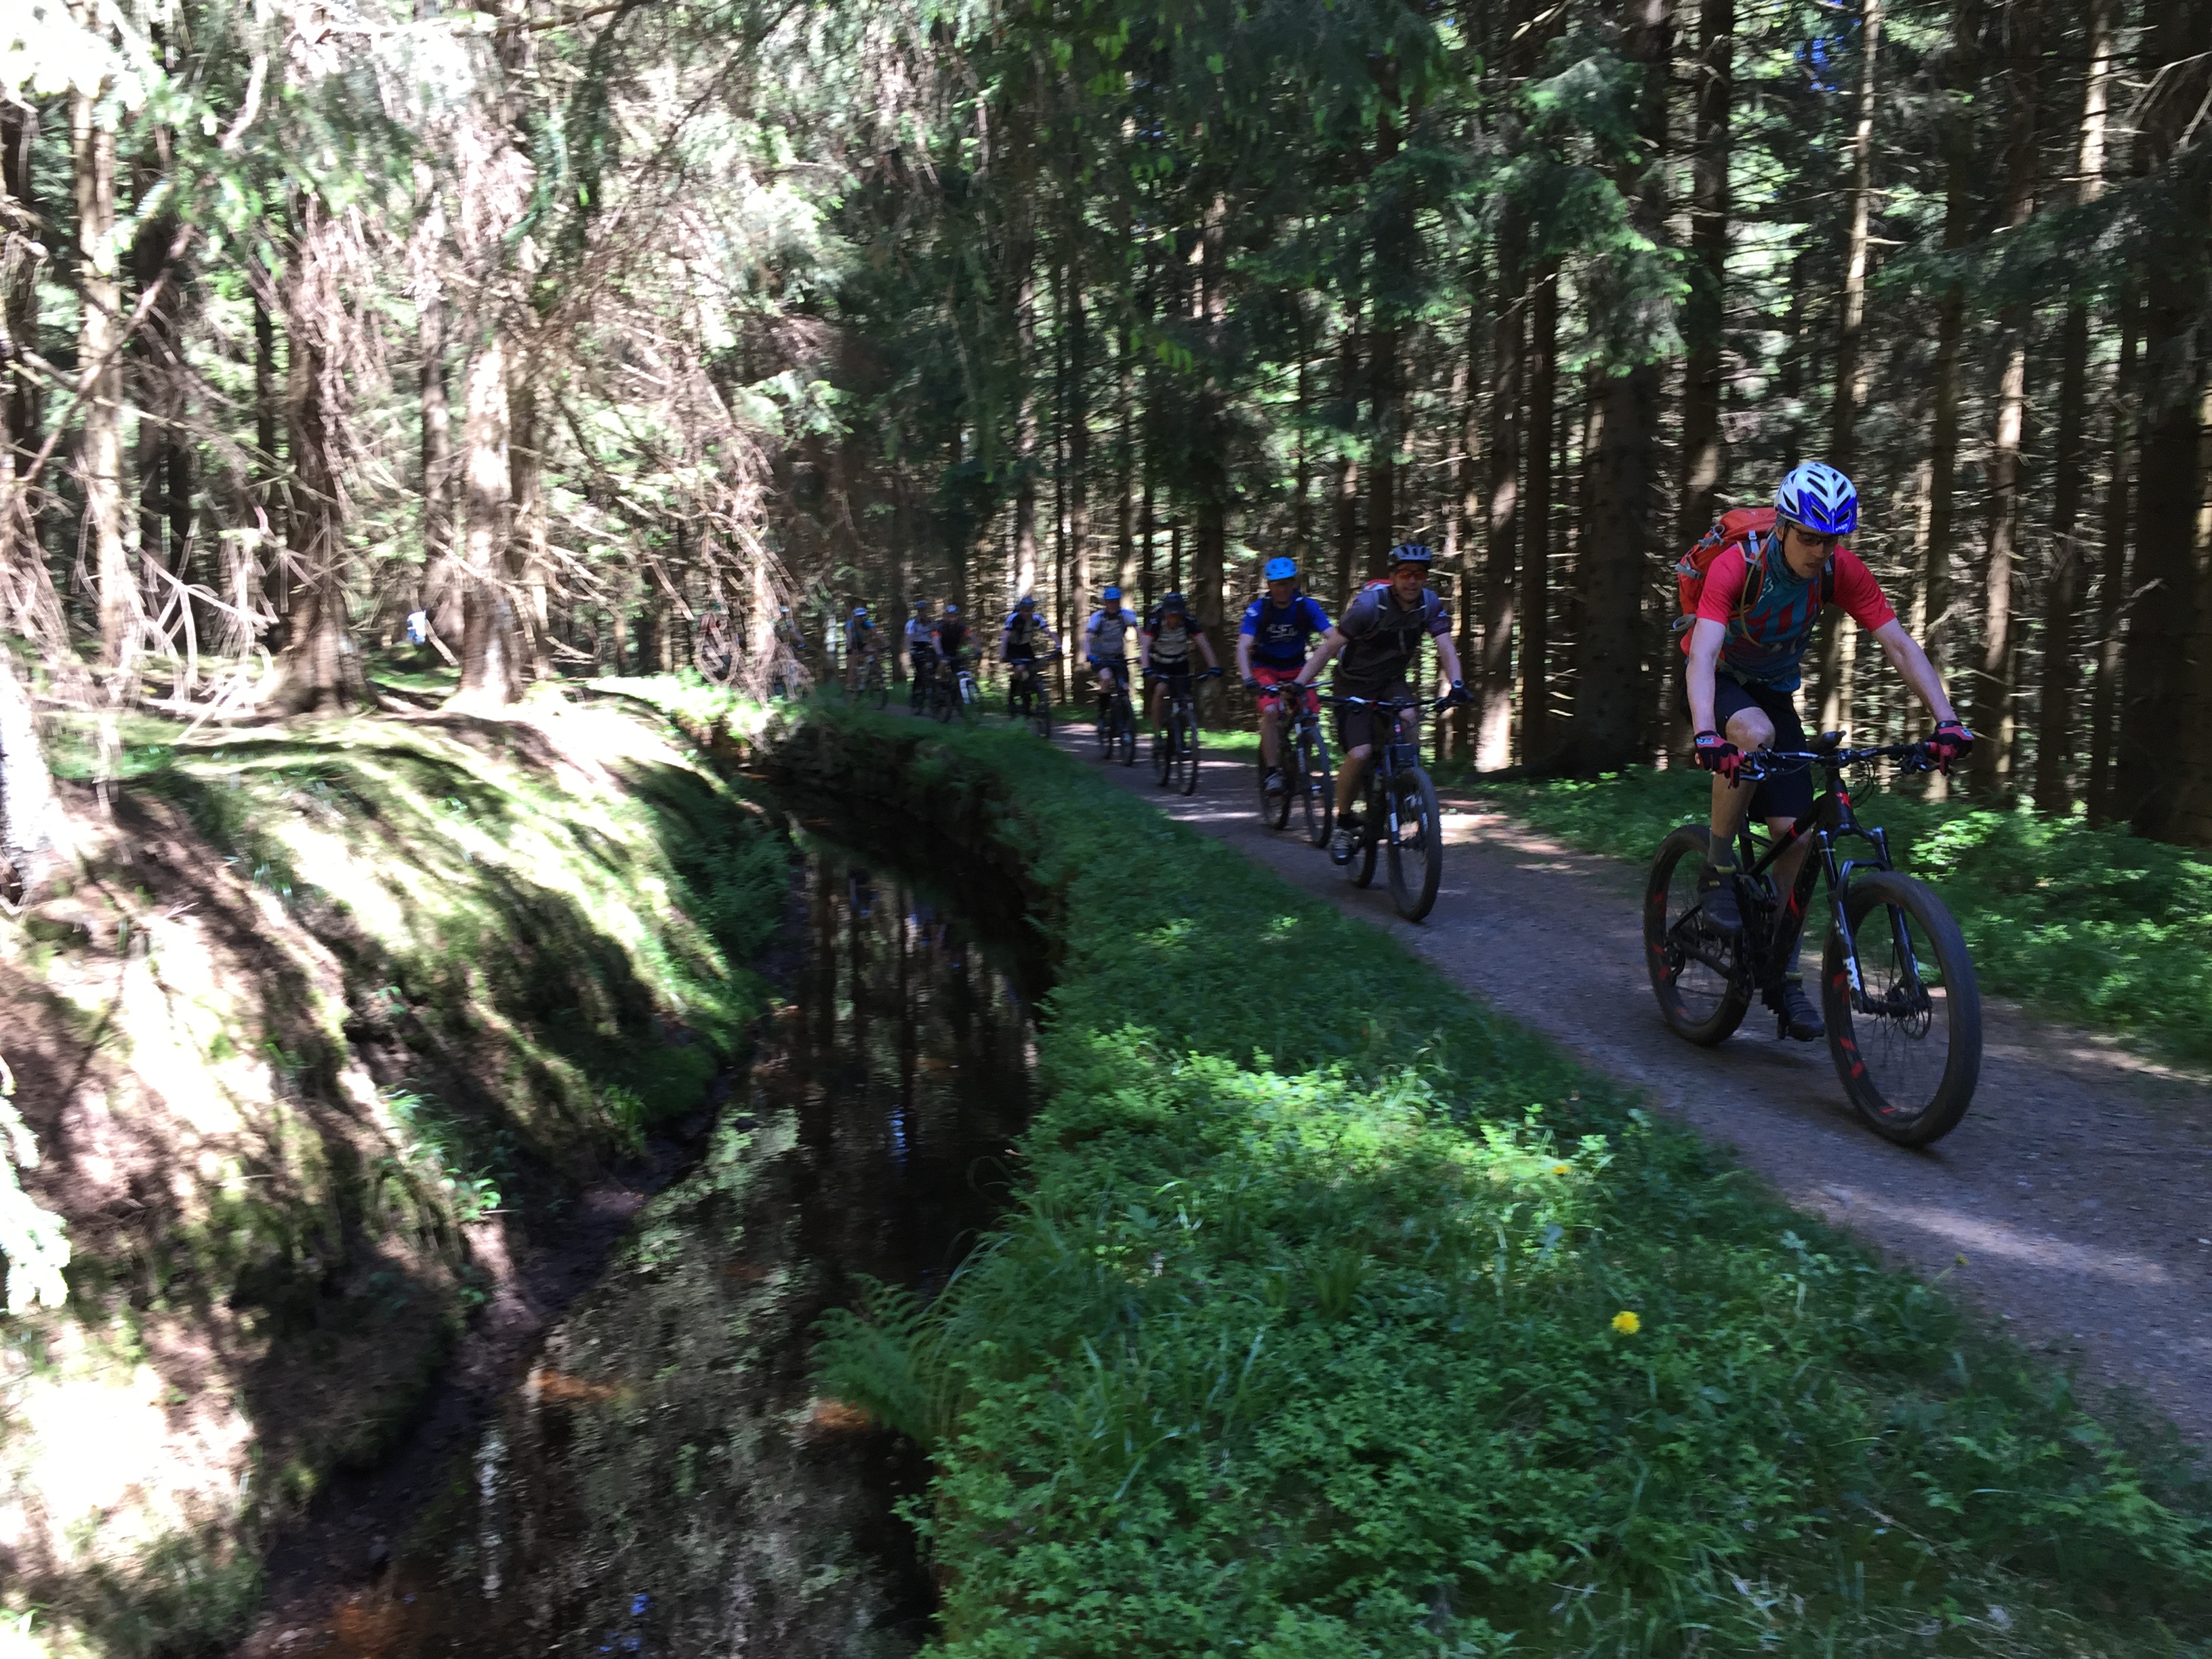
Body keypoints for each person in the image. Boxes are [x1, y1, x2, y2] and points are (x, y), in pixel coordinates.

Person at [1681, 461, 1971, 1041]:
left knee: (1797, 840)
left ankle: (1782, 974)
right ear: (1784, 527)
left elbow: (1899, 644)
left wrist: (1947, 720)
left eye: (1832, 540)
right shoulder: (1740, 565)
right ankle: (1717, 868)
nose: (1821, 551)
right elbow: (1705, 653)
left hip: (1774, 691)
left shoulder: (1840, 571)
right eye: (1811, 538)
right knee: (1753, 733)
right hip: (1720, 682)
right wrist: (1707, 733)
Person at [1287, 544, 1468, 865]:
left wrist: (1456, 684)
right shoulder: (1369, 607)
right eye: (1405, 574)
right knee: (1360, 753)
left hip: (1390, 682)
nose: (1412, 581)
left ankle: (1408, 789)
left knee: (1409, 717)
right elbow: (1329, 648)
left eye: (1419, 574)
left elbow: (1446, 647)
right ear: (1393, 577)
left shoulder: (1428, 603)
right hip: (1353, 683)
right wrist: (1300, 683)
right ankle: (1344, 822)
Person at [1237, 556, 1332, 792]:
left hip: (1297, 668)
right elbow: (1243, 645)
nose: (1283, 588)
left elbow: (1333, 636)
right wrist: (1247, 678)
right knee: (1270, 712)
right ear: (1269, 585)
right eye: (1277, 583)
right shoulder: (1259, 609)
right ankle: (1271, 772)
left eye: (1287, 582)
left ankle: (1303, 769)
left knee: (1310, 716)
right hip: (1266, 668)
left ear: (1294, 583)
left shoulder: (1306, 606)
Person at [1139, 592, 1221, 731]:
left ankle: (1184, 726)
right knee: (1161, 690)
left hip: (1180, 663)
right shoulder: (1155, 622)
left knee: (1185, 695)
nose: (1174, 619)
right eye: (1170, 615)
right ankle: (1157, 732)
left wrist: (1214, 667)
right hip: (1160, 663)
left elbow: (1204, 645)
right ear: (1165, 614)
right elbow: (1145, 646)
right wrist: (1146, 669)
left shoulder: (1189, 621)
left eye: (1177, 615)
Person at [1082, 586, 1143, 727]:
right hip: (1100, 657)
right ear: (1105, 603)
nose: (1113, 605)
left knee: (1125, 687)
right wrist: (1089, 655)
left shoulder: (1126, 615)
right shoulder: (1097, 617)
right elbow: (1087, 639)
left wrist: (1143, 654)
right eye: (1110, 602)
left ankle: (1127, 722)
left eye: (1115, 601)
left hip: (1118, 656)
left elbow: (1140, 634)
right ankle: (1102, 715)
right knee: (1106, 678)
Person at [1001, 595, 1057, 712]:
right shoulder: (1013, 618)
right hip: (1013, 648)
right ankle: (1011, 698)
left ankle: (1035, 698)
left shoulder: (1036, 618)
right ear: (1021, 610)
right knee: (1019, 669)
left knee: (1034, 669)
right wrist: (1003, 654)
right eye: (1025, 610)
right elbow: (1005, 637)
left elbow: (1048, 632)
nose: (1028, 613)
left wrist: (1059, 645)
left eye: (1030, 610)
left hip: (1026, 647)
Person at [905, 602, 936, 708]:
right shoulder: (912, 623)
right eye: (920, 610)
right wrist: (911, 649)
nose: (922, 613)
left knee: (935, 668)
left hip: (928, 646)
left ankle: (937, 694)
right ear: (918, 611)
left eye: (924, 610)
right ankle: (914, 696)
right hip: (916, 646)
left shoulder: (931, 622)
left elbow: (936, 635)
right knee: (920, 672)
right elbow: (908, 638)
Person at [844, 604, 878, 689]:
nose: (860, 619)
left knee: (874, 652)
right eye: (858, 617)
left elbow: (877, 634)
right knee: (853, 666)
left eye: (862, 617)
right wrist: (849, 649)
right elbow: (849, 637)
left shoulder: (866, 623)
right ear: (854, 617)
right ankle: (850, 685)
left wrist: (886, 643)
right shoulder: (849, 624)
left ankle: (873, 675)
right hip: (852, 644)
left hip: (862, 644)